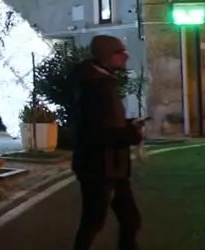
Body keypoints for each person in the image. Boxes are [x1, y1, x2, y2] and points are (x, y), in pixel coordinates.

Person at [71, 35, 142, 250]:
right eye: (120, 53)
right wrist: (130, 134)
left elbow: (105, 121)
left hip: (112, 164)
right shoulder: (94, 87)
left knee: (129, 218)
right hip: (99, 166)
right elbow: (95, 133)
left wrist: (127, 124)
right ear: (107, 56)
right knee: (94, 220)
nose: (125, 57)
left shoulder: (102, 81)